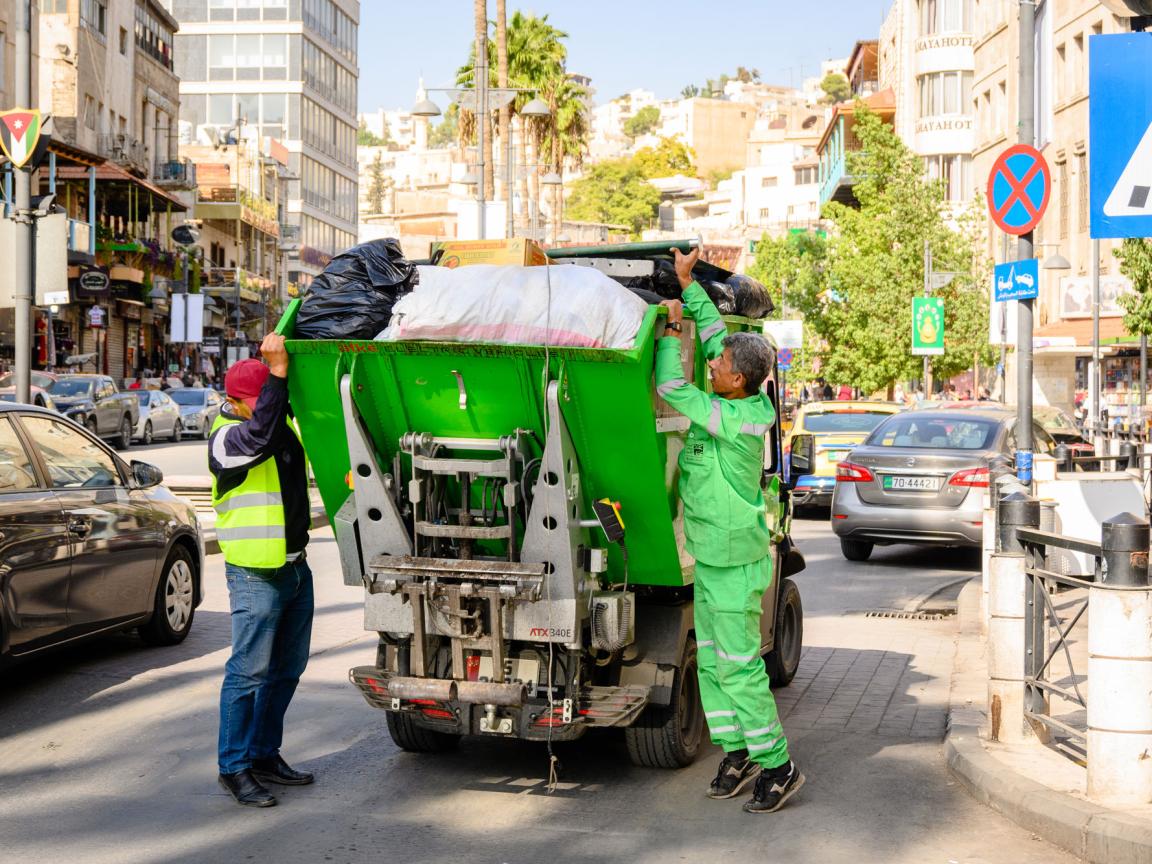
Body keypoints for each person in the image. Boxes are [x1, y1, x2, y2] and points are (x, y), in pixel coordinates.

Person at [656, 246, 804, 815]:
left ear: (737, 381)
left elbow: (673, 390)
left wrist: (671, 335)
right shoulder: (736, 385)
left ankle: (779, 765)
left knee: (740, 669)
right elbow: (717, 332)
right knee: (716, 665)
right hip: (714, 561)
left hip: (738, 564)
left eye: (716, 367)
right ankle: (739, 751)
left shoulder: (739, 420)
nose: (709, 364)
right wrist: (690, 285)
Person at [210, 333, 315, 808]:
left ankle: (263, 754)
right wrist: (276, 377)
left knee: (286, 670)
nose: (268, 407)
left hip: (294, 570)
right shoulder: (226, 440)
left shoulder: (278, 425)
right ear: (234, 402)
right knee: (248, 673)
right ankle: (233, 767)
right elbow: (260, 434)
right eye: (260, 399)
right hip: (255, 575)